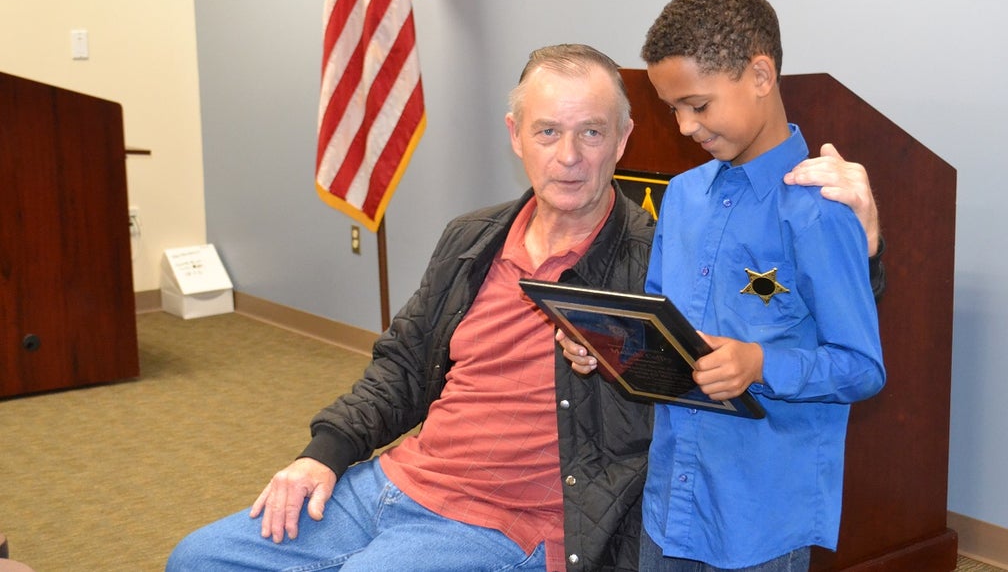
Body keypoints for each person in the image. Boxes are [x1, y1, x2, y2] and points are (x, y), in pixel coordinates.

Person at [168, 43, 882, 572]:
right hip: (391, 483)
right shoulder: (471, 239)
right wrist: (321, 457)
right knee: (196, 558)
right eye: (548, 132)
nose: (569, 156)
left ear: (622, 141)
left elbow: (781, 314)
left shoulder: (660, 253)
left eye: (592, 132)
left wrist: (865, 244)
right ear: (517, 138)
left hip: (506, 523)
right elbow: (402, 368)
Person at [563, 0, 885, 571]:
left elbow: (862, 367)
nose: (685, 127)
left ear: (761, 77)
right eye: (673, 109)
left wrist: (759, 364)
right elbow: (666, 328)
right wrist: (606, 344)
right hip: (672, 500)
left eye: (698, 105)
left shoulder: (818, 209)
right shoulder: (683, 196)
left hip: (761, 513)